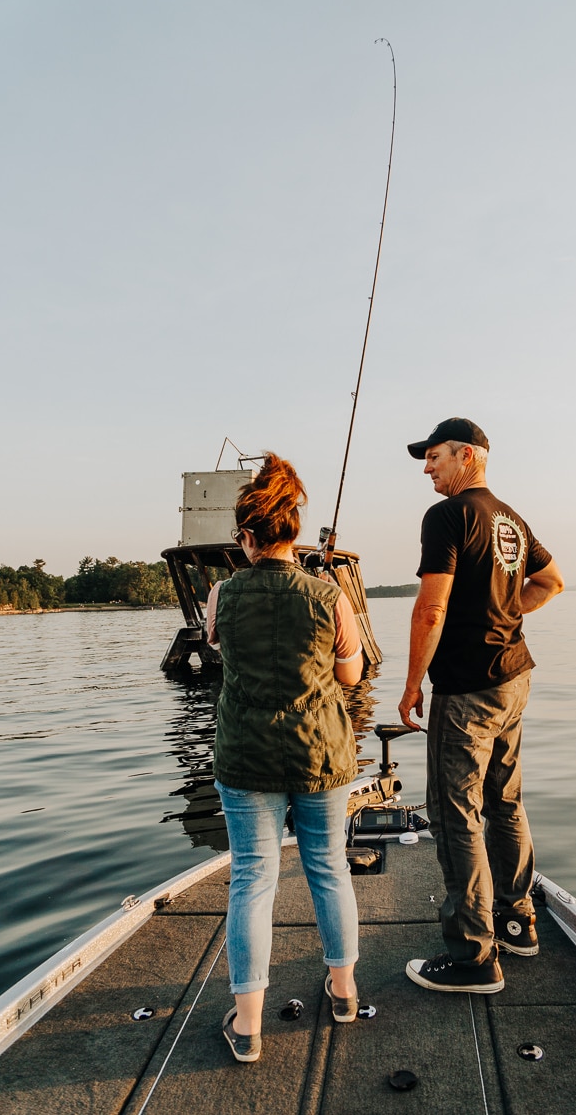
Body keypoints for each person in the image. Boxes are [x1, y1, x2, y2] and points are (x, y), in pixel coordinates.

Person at [398, 417, 564, 994]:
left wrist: (413, 683)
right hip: (514, 677)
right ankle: (518, 922)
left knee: (453, 811)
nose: (427, 467)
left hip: (467, 687)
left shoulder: (447, 516)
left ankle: (472, 955)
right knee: (505, 800)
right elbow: (552, 582)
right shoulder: (510, 519)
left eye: (435, 456)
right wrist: (505, 615)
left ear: (467, 455)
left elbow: (429, 610)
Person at [207, 452, 364, 1062]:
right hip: (320, 756)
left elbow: (224, 648)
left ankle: (247, 1025)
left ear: (247, 536)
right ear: (294, 531)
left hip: (246, 759)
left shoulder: (222, 594)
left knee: (252, 880)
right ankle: (344, 991)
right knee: (329, 868)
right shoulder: (329, 597)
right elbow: (350, 676)